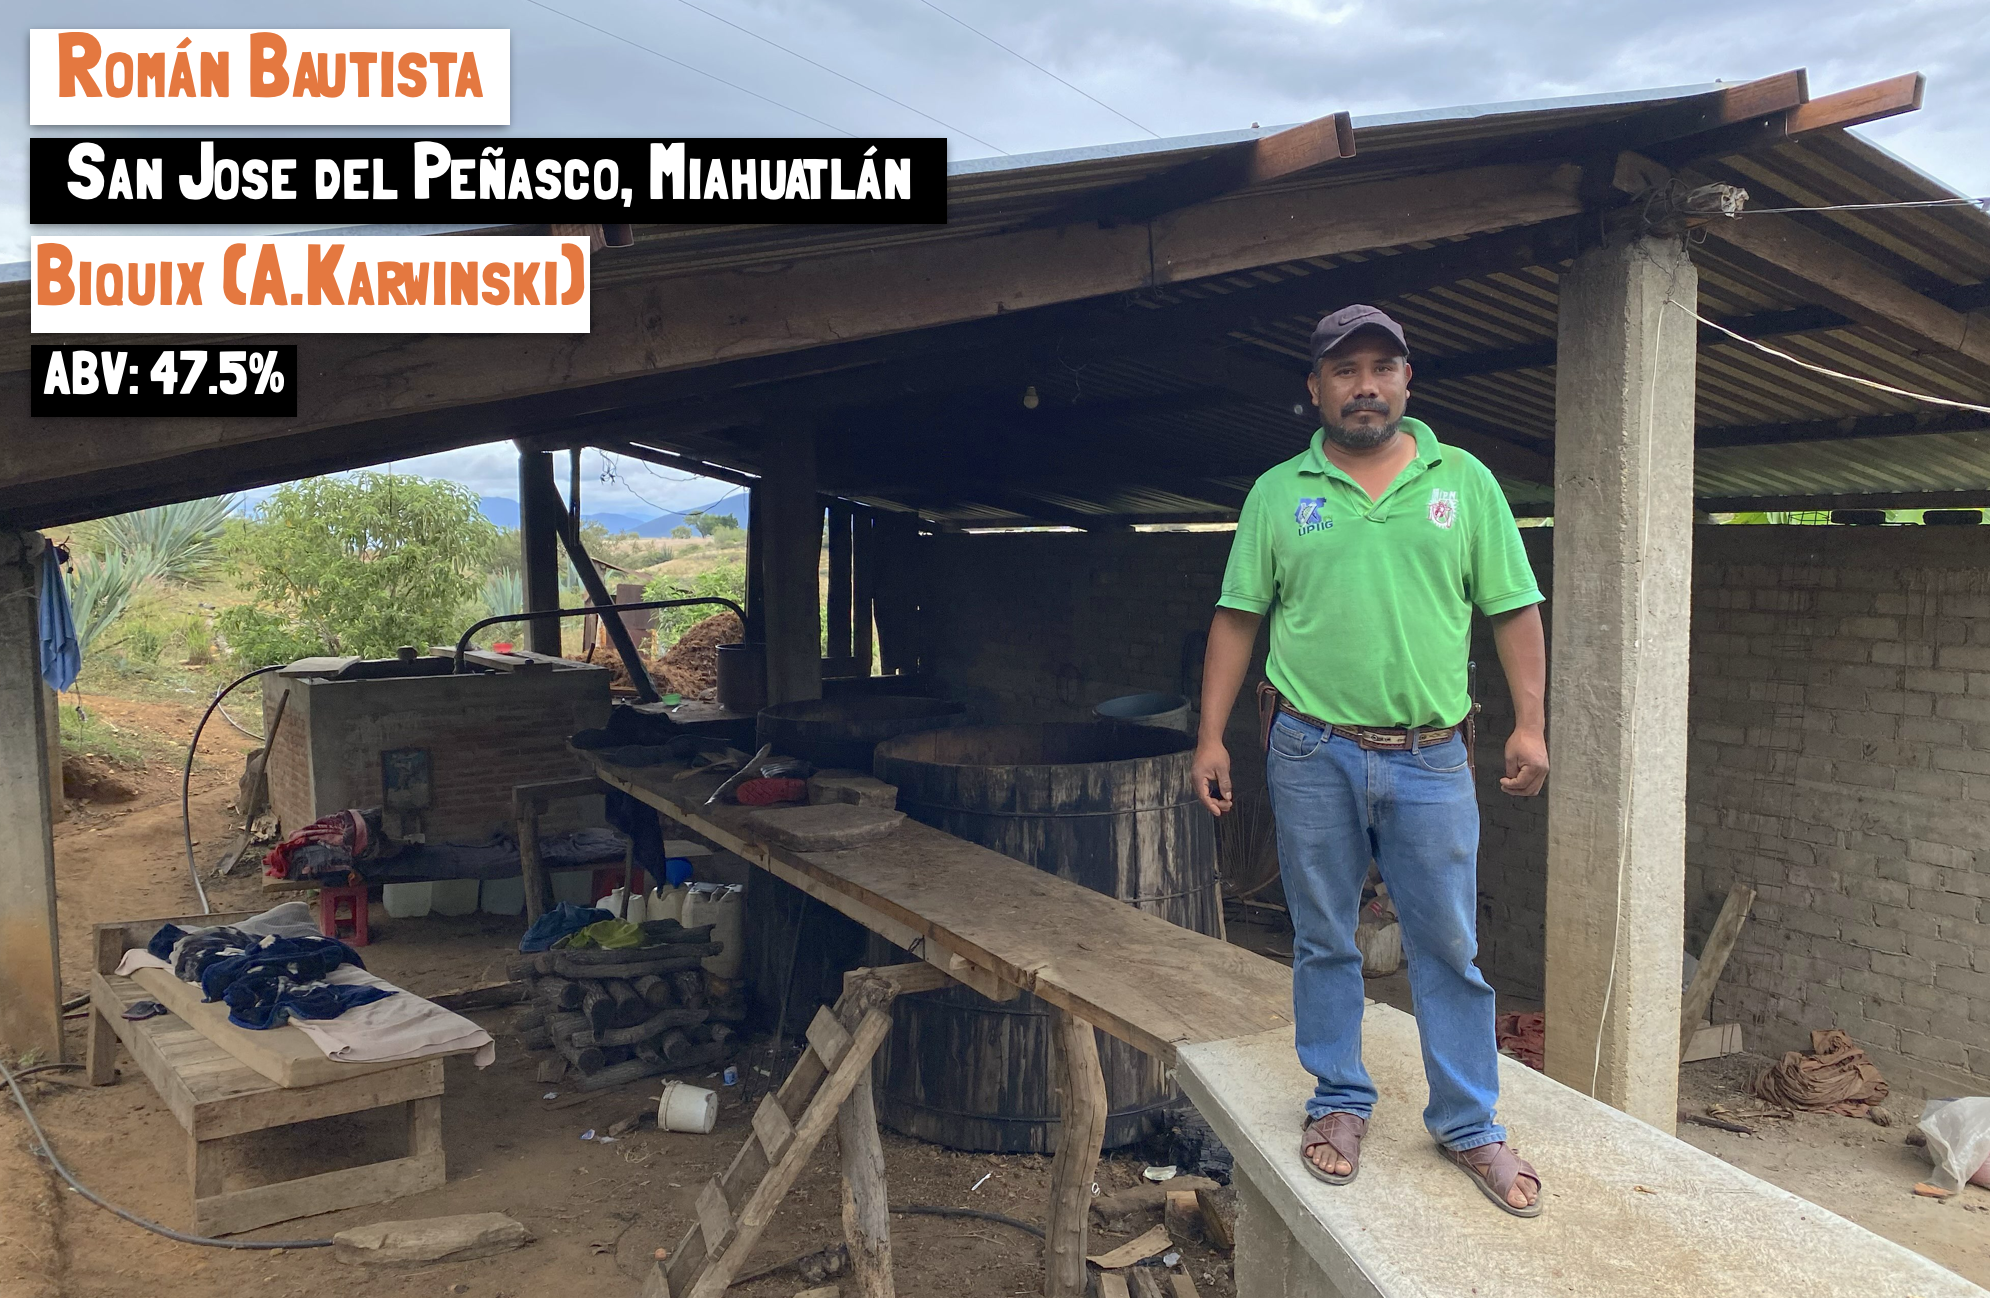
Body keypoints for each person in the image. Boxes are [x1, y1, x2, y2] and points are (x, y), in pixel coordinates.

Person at [1191, 304, 1549, 1216]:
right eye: (1344, 370)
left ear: (1406, 381)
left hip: (1432, 757)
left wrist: (1530, 724)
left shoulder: (1461, 482)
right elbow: (1239, 616)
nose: (1365, 385)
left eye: (1381, 367)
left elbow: (1512, 609)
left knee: (1449, 946)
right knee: (1322, 939)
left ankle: (1470, 1122)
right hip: (1310, 749)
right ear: (1315, 389)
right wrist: (1210, 737)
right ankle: (1340, 1101)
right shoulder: (1281, 491)